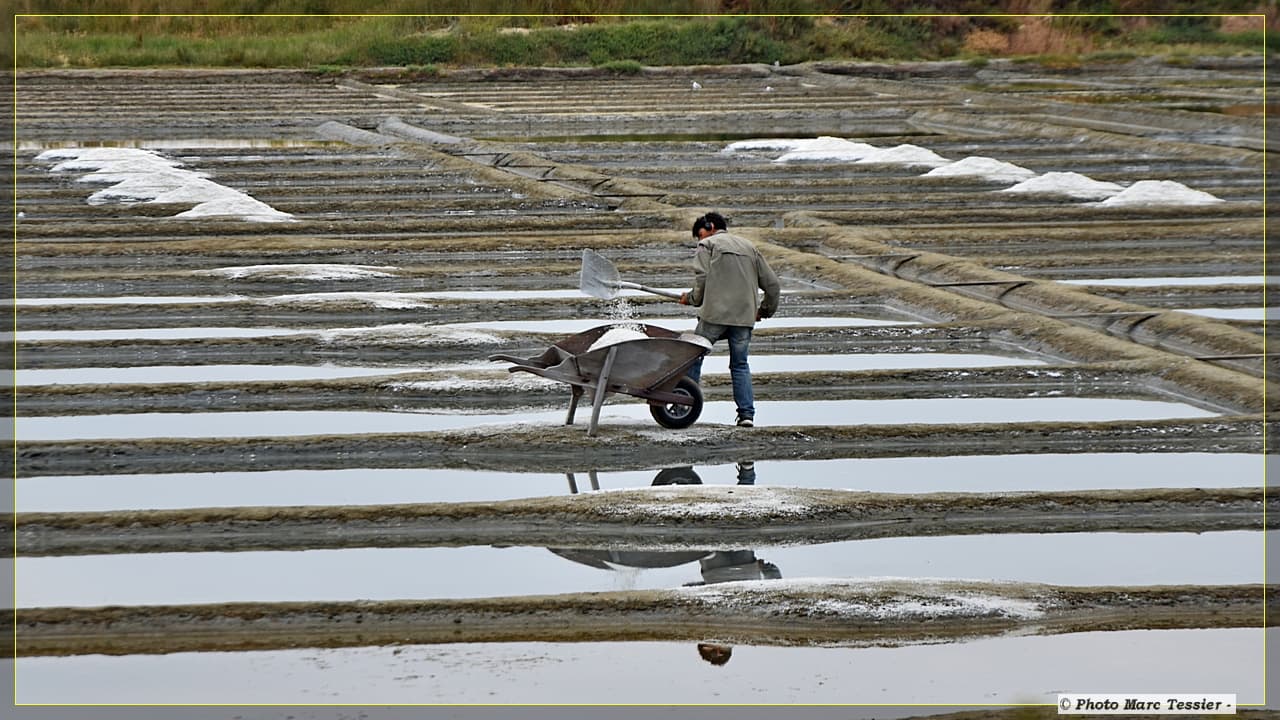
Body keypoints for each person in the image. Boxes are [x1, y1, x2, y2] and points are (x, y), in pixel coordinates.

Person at [679, 212, 780, 427]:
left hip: (715, 315)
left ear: (710, 226)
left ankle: (682, 406)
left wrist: (692, 298)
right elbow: (773, 285)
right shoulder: (749, 247)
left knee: (694, 356)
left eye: (700, 234)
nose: (700, 240)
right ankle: (746, 415)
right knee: (740, 364)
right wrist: (763, 311)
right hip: (743, 318)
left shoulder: (708, 245)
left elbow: (702, 279)